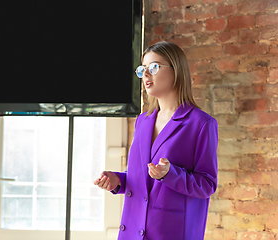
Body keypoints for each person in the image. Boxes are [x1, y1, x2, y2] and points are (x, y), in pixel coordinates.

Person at [93, 41, 218, 240]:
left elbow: (207, 185)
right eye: (143, 70)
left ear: (176, 71)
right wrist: (118, 181)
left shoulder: (201, 124)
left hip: (171, 232)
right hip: (133, 231)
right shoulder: (143, 121)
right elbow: (143, 179)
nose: (146, 75)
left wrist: (170, 174)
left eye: (154, 67)